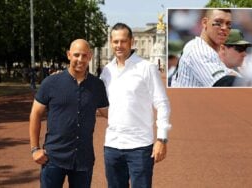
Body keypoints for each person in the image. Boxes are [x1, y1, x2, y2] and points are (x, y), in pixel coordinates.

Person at [100, 23, 172, 188]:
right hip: (112, 145)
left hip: (139, 146)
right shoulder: (107, 71)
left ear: (131, 42)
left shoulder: (146, 68)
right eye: (116, 41)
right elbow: (99, 102)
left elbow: (162, 103)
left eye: (123, 41)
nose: (119, 45)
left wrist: (162, 138)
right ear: (111, 42)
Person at [29, 39, 109, 188]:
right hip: (53, 157)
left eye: (84, 55)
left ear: (90, 56)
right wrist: (35, 148)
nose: (80, 59)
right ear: (68, 55)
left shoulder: (97, 85)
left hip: (83, 159)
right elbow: (35, 114)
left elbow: (108, 113)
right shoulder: (51, 83)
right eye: (76, 55)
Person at [171, 9, 239, 87]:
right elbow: (222, 82)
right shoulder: (197, 49)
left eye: (228, 24)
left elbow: (228, 74)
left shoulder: (210, 50)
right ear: (205, 23)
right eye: (218, 22)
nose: (224, 28)